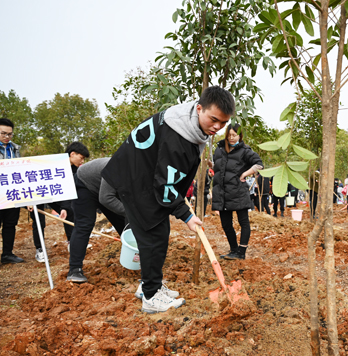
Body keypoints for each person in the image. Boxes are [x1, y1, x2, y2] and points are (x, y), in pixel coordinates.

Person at [102, 86, 234, 313]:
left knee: (159, 233)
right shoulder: (179, 138)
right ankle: (151, 297)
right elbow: (165, 185)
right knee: (152, 236)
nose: (217, 127)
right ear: (199, 108)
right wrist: (186, 215)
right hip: (137, 181)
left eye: (223, 123)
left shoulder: (188, 121)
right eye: (214, 120)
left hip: (145, 176)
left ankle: (147, 286)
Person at [66, 158, 127, 283]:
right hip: (85, 183)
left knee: (124, 222)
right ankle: (74, 269)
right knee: (84, 224)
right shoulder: (119, 167)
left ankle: (135, 257)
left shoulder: (143, 175)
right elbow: (106, 198)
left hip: (106, 188)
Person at [30, 141, 89, 262]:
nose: (82, 161)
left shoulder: (74, 170)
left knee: (71, 212)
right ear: (72, 154)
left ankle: (72, 243)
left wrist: (64, 208)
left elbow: (67, 190)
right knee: (39, 221)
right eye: (81, 158)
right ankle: (40, 249)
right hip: (38, 192)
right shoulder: (52, 164)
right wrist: (29, 200)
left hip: (54, 193)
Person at [211, 123, 263, 260]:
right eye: (229, 135)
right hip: (222, 193)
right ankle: (233, 250)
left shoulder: (245, 151)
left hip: (238, 192)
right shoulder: (219, 149)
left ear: (240, 136)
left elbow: (259, 165)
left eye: (235, 135)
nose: (232, 138)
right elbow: (217, 166)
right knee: (226, 224)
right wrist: (211, 166)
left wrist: (245, 174)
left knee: (243, 222)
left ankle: (241, 252)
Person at [0, 118, 24, 264]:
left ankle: (7, 253)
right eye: (3, 133)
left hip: (11, 193)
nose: (7, 137)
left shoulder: (15, 149)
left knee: (10, 224)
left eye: (10, 134)